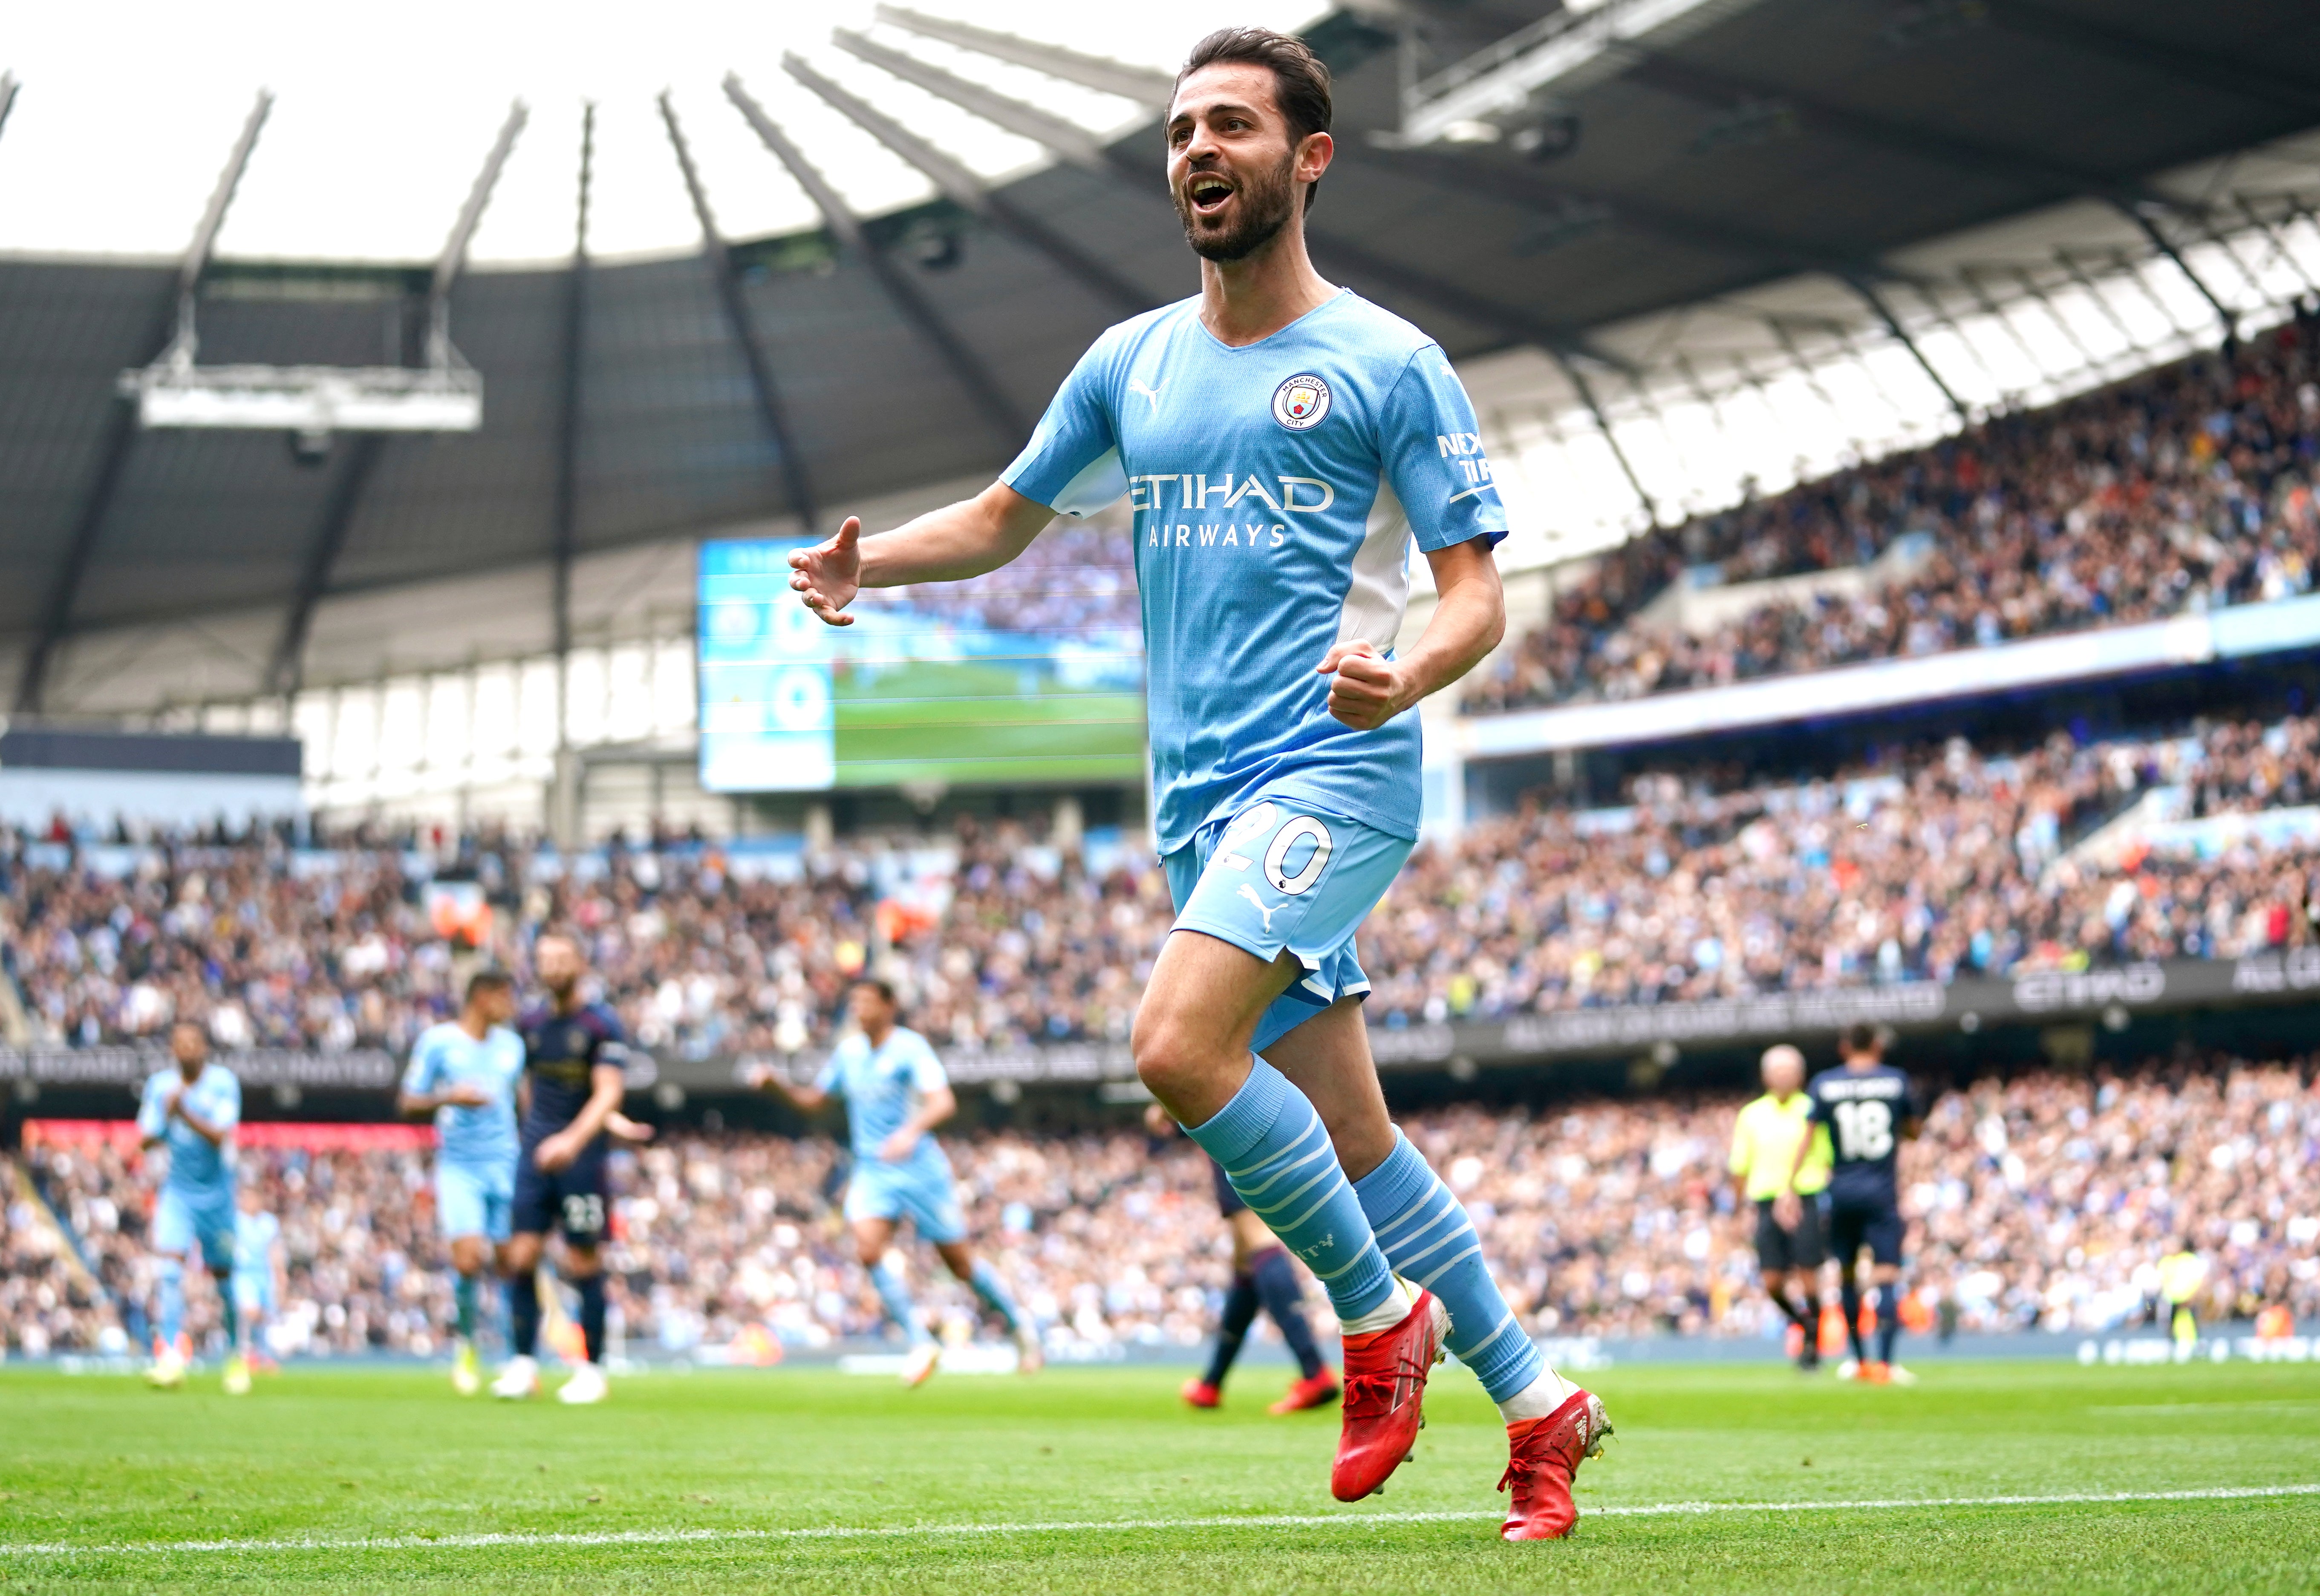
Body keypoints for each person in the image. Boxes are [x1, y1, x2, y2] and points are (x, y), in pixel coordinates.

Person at [784, 25, 1604, 1540]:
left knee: (1171, 1048)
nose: (1193, 154)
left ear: (1307, 159)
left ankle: (1373, 1317)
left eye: (1226, 126)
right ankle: (1541, 1401)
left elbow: (1473, 592)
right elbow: (999, 515)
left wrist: (1406, 672)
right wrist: (867, 565)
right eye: (1176, 133)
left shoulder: (1384, 362)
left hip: (1334, 770)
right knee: (1356, 1139)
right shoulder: (1131, 364)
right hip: (1198, 810)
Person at [747, 979, 1039, 1385]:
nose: (859, 1009)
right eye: (854, 1002)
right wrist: (776, 1086)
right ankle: (921, 1341)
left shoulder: (910, 1047)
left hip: (919, 1167)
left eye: (867, 1001)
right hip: (873, 1169)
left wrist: (910, 1131)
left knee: (959, 1264)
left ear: (889, 1006)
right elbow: (815, 1101)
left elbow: (943, 1101)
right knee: (867, 1248)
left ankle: (1020, 1327)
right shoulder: (849, 1053)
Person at [493, 930, 630, 1405]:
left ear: (580, 963)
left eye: (560, 958)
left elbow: (609, 1091)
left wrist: (571, 1140)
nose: (551, 967)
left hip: (582, 1160)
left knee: (583, 1260)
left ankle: (592, 1370)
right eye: (544, 959)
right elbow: (527, 1086)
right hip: (536, 1156)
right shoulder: (529, 1023)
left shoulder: (600, 1024)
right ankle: (523, 1365)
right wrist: (533, 1134)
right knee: (520, 1256)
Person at [1146, 1103, 1339, 1412]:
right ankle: (1211, 1384)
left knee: (1256, 1233)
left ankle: (1314, 1370)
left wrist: (1166, 1105)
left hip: (1235, 1119)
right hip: (1273, 1113)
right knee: (1246, 1260)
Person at [398, 968, 526, 1395]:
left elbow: (524, 1104)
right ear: (482, 997)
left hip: (506, 1163)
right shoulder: (438, 1042)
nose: (511, 1005)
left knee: (511, 1262)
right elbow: (408, 1101)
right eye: (505, 996)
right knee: (468, 1259)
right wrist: (450, 1096)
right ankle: (467, 1346)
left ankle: (515, 1358)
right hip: (459, 1166)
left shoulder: (512, 1046)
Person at [1781, 1024, 1921, 1384]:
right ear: (1877, 1045)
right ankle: (1887, 1366)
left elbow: (1808, 1135)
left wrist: (1790, 1185)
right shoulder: (1895, 1080)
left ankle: (1860, 1363)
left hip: (1841, 1191)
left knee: (1846, 1275)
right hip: (1881, 1191)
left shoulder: (1826, 1084)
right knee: (1887, 1273)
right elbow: (1914, 1129)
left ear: (1844, 1047)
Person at [137, 1021, 247, 1394]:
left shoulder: (223, 1083)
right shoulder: (159, 1087)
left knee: (225, 1283)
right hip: (178, 1194)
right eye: (179, 1043)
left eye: (193, 1042)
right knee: (169, 1271)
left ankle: (236, 1356)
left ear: (204, 1047)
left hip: (218, 1198)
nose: (186, 1049)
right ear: (172, 1049)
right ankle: (170, 1355)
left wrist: (183, 1112)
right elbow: (146, 1141)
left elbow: (221, 1135)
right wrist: (167, 1116)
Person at [1728, 1043, 1832, 1371]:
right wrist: (1737, 1208)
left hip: (1805, 1195)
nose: (1784, 1076)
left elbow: (1828, 1156)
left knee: (1808, 1273)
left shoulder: (1813, 1109)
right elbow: (1740, 1165)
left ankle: (1813, 1342)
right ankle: (1806, 1323)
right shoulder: (1752, 1114)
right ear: (1766, 1076)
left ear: (1800, 1075)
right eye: (1778, 1070)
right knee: (1771, 1280)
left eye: (1789, 1070)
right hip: (1766, 1198)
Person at [230, 1182, 283, 1375]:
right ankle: (244, 1353)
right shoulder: (235, 1221)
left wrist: (280, 1277)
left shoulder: (269, 1223)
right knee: (249, 1312)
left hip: (264, 1274)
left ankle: (263, 1355)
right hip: (243, 1273)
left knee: (264, 1317)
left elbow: (275, 1251)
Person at [2158, 1238, 2207, 1349]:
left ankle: (2198, 1344)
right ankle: (2172, 1344)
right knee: (2171, 1323)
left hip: (2190, 1298)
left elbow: (2199, 1279)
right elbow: (2162, 1282)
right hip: (2172, 1299)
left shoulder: (2190, 1260)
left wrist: (2194, 1296)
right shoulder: (2166, 1262)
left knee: (2194, 1322)